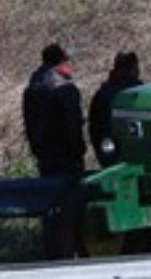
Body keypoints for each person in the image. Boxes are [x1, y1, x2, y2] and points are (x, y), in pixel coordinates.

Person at [22, 43, 86, 179]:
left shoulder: (32, 88)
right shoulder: (65, 88)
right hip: (66, 154)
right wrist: (78, 150)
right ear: (61, 61)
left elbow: (28, 121)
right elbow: (72, 123)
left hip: (42, 152)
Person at [88, 52, 142, 167]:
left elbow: (95, 127)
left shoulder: (103, 93)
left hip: (110, 152)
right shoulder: (140, 93)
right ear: (134, 69)